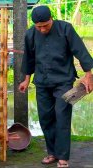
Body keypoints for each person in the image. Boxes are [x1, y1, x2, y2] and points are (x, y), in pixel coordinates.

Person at [19, 5, 93, 168]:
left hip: (63, 81)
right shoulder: (31, 34)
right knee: (45, 118)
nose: (43, 29)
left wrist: (88, 75)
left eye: (46, 25)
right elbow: (28, 58)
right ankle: (52, 152)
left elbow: (80, 51)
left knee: (62, 117)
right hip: (42, 82)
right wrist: (25, 80)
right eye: (39, 27)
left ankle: (63, 157)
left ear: (52, 18)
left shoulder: (65, 29)